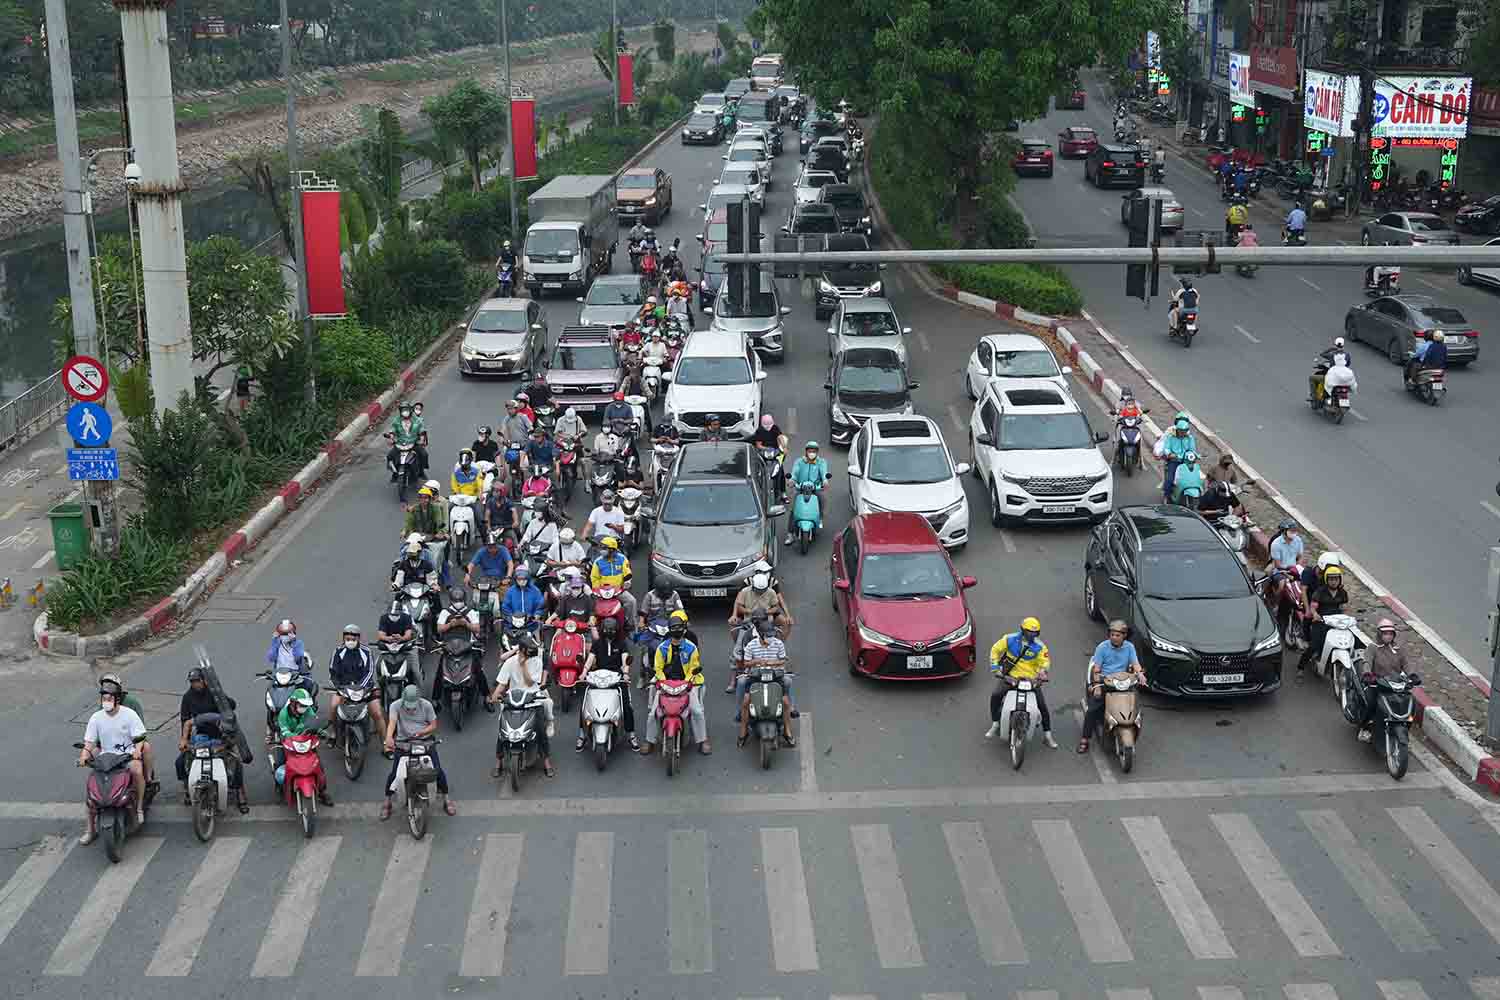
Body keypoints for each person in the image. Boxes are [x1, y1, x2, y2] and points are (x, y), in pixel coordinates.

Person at [76, 676, 149, 843]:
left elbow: (140, 737)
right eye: (104, 698)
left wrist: (137, 751)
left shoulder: (129, 714)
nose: (106, 701)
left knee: (137, 769)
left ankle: (138, 808)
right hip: (106, 758)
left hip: (126, 756)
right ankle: (91, 829)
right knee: (91, 789)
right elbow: (89, 742)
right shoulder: (96, 717)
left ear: (116, 699)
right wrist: (83, 757)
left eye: (109, 698)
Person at [175, 667, 248, 813]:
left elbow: (232, 706)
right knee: (180, 762)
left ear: (204, 681)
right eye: (192, 682)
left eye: (197, 681)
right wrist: (184, 740)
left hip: (221, 734)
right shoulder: (188, 697)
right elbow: (185, 720)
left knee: (236, 762)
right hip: (201, 736)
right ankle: (187, 788)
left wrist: (221, 696)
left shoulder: (214, 693)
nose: (195, 684)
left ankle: (241, 794)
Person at [380, 684, 455, 819]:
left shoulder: (426, 705)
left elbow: (433, 725)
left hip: (424, 741)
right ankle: (387, 802)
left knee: (437, 770)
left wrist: (421, 733)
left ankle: (447, 799)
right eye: (408, 706)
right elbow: (392, 722)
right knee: (395, 773)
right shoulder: (395, 706)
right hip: (404, 742)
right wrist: (389, 737)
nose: (410, 709)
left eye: (413, 706)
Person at [643, 612, 711, 755]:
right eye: (674, 628)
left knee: (697, 711)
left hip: (687, 683)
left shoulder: (691, 648)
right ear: (669, 630)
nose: (677, 631)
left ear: (684, 629)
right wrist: (662, 682)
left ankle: (702, 740)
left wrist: (686, 684)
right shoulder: (662, 648)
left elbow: (693, 668)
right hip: (665, 684)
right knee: (653, 713)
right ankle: (649, 741)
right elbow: (658, 668)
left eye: (679, 627)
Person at [984, 617, 1056, 748]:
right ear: (1023, 630)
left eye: (1036, 632)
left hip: (1030, 680)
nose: (1033, 635)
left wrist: (1043, 673)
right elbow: (995, 650)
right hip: (1011, 677)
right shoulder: (1009, 639)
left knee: (1043, 706)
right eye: (1030, 632)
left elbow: (1045, 662)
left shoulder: (1040, 647)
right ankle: (995, 723)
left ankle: (1047, 735)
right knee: (995, 695)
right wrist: (995, 668)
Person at [490, 632, 555, 777]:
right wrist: (494, 697)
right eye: (529, 649)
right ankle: (498, 761)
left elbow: (531, 682)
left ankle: (546, 761)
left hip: (532, 700)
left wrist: (524, 664)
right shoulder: (509, 662)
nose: (533, 651)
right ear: (522, 649)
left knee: (540, 729)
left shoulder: (536, 661)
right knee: (502, 730)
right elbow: (502, 684)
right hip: (513, 700)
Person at [1080, 621, 1146, 753]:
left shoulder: (1129, 647)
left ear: (1124, 636)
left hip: (1123, 681)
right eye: (1112, 634)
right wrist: (1097, 686)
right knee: (1093, 709)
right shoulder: (1102, 648)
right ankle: (1085, 740)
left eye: (1117, 635)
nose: (1114, 637)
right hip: (1105, 681)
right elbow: (1096, 669)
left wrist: (1140, 675)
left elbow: (1136, 664)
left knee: (1134, 705)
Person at [577, 617, 640, 751]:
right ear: (602, 630)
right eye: (607, 630)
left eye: (612, 630)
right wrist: (584, 673)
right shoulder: (597, 644)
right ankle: (582, 734)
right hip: (599, 677)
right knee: (584, 704)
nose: (609, 633)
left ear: (616, 631)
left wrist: (626, 673)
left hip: (617, 678)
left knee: (626, 705)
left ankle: (631, 734)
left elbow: (625, 661)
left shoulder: (622, 643)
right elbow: (590, 659)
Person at [734, 615, 797, 747]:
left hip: (775, 676)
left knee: (785, 702)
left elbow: (783, 660)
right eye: (768, 635)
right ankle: (743, 731)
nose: (770, 638)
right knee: (746, 701)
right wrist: (756, 662)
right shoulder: (751, 645)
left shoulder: (778, 643)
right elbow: (746, 663)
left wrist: (773, 663)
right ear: (761, 635)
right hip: (755, 677)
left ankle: (787, 731)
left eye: (771, 635)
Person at [727, 566, 794, 690]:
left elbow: (776, 606)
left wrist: (767, 612)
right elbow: (739, 605)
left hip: (766, 621)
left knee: (775, 643)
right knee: (738, 650)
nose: (760, 592)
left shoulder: (771, 591)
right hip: (749, 621)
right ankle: (734, 678)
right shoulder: (745, 590)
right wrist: (750, 612)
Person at [272, 688, 335, 806]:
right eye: (302, 705)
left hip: (306, 742)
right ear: (293, 703)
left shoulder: (308, 710)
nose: (304, 708)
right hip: (288, 743)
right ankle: (279, 787)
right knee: (280, 763)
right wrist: (299, 733)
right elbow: (285, 732)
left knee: (319, 767)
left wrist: (324, 734)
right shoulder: (283, 714)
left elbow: (314, 724)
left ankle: (322, 792)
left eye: (306, 705)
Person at [327, 624, 387, 742]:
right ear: (343, 638)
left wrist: (361, 688)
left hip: (365, 688)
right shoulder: (338, 651)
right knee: (334, 706)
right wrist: (339, 687)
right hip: (344, 688)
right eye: (348, 639)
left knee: (377, 713)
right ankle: (334, 733)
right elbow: (333, 672)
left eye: (353, 639)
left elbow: (369, 672)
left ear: (359, 638)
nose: (350, 641)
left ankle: (386, 744)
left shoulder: (366, 651)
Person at [435, 585, 491, 710]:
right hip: (449, 647)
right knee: (440, 671)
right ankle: (435, 700)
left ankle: (487, 697)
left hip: (468, 646)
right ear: (451, 601)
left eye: (459, 601)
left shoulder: (470, 612)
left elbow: (477, 629)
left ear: (464, 600)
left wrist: (466, 623)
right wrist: (450, 624)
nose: (458, 604)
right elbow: (439, 629)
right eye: (456, 601)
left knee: (478, 670)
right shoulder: (445, 612)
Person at [1360, 619, 1409, 741]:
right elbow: (1367, 662)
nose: (1388, 636)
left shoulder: (1398, 649)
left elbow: (1407, 664)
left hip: (1395, 683)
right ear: (1379, 634)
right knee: (1371, 704)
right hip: (1377, 683)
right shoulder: (1373, 648)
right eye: (1385, 633)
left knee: (1407, 703)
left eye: (1390, 633)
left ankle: (1404, 729)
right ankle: (1365, 727)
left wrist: (1412, 675)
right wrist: (1367, 674)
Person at [1299, 564, 1350, 676]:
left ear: (1339, 580)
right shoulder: (1320, 591)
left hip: (1336, 623)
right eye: (1331, 579)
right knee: (1314, 645)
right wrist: (1315, 614)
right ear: (1327, 579)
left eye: (1336, 579)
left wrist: (1347, 618)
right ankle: (1301, 667)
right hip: (1321, 622)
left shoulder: (1343, 593)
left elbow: (1344, 608)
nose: (1333, 581)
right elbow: (1313, 607)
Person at [785, 442, 830, 544]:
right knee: (793, 509)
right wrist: (792, 480)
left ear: (817, 452)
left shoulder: (821, 462)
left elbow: (824, 473)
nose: (811, 453)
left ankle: (820, 518)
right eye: (810, 451)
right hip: (800, 488)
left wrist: (825, 481)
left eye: (814, 451)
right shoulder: (799, 462)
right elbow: (795, 472)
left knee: (822, 500)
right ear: (806, 451)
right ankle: (790, 534)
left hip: (816, 489)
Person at [590, 535, 638, 625]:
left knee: (632, 601)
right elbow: (594, 578)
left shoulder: (622, 558)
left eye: (604, 548)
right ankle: (594, 625)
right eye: (601, 547)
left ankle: (630, 623)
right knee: (591, 604)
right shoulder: (598, 561)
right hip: (602, 592)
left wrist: (628, 581)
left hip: (618, 590)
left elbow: (627, 573)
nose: (601, 550)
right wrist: (597, 591)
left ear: (612, 549)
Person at [376, 599, 422, 690]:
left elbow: (408, 635)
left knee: (415, 671)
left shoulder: (407, 618)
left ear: (401, 613)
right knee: (378, 666)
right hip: (389, 646)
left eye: (396, 615)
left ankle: (419, 692)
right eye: (392, 614)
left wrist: (401, 638)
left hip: (406, 646)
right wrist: (388, 639)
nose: (393, 616)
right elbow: (381, 635)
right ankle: (379, 688)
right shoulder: (384, 618)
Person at [385, 402, 428, 482]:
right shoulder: (397, 420)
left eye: (407, 410)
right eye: (403, 410)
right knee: (390, 456)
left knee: (424, 454)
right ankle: (394, 473)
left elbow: (421, 429)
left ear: (410, 410)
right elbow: (393, 429)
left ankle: (421, 472)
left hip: (413, 442)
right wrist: (391, 437)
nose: (405, 412)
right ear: (400, 411)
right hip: (400, 443)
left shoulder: (416, 419)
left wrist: (421, 439)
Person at [1159, 414, 1196, 504]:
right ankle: (1166, 496)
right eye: (1181, 430)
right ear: (1177, 430)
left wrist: (1195, 455)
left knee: (1194, 478)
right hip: (1174, 461)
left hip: (1186, 462)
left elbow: (1192, 449)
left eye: (1184, 431)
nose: (1183, 433)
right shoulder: (1171, 437)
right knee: (1170, 479)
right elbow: (1166, 448)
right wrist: (1169, 454)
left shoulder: (1189, 438)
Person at [752, 413, 789, 499]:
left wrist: (784, 447)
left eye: (769, 424)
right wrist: (766, 449)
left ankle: (783, 493)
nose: (768, 427)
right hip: (764, 454)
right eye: (766, 424)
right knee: (759, 471)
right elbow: (758, 445)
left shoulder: (775, 428)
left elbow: (780, 438)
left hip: (776, 453)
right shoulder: (759, 431)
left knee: (780, 470)